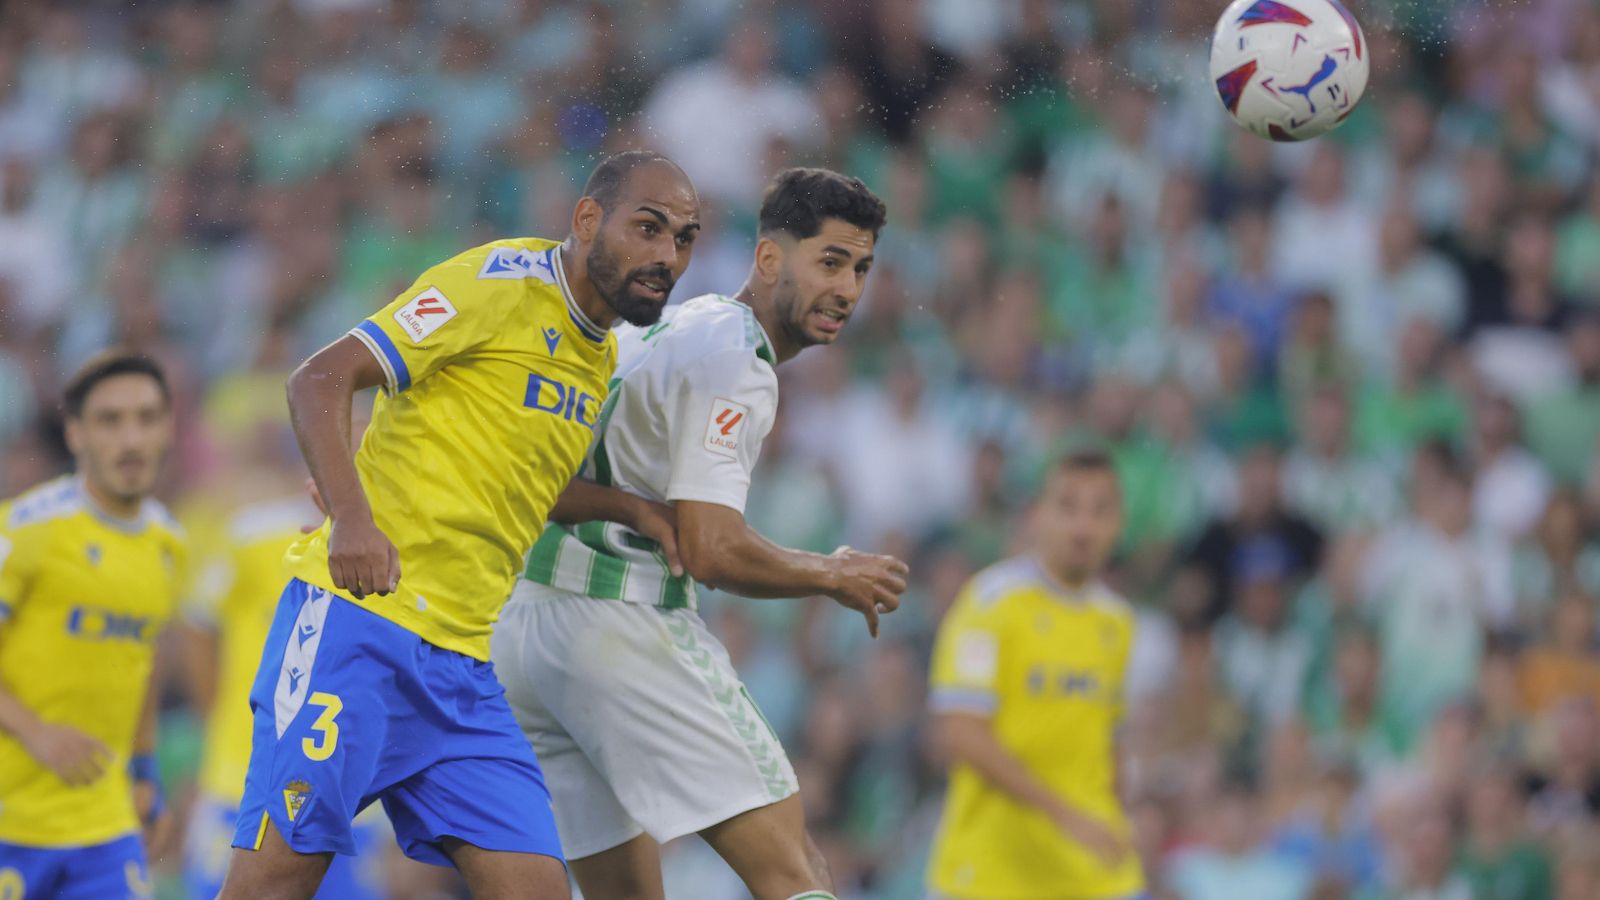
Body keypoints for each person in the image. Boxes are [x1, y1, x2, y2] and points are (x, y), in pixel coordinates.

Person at [218, 150, 700, 900]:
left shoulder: (598, 355)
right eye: (648, 228)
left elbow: (524, 483)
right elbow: (319, 377)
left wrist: (634, 510)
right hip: (360, 633)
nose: (666, 255)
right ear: (586, 219)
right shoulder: (499, 282)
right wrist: (351, 518)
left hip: (463, 672)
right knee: (269, 889)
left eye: (684, 239)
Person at [492, 167, 906, 900]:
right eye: (831, 262)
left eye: (862, 269)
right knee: (795, 871)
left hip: (529, 632)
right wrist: (830, 573)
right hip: (621, 625)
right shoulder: (736, 360)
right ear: (770, 258)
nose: (847, 289)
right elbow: (710, 550)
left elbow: (547, 482)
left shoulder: (685, 322)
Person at [0, 352, 183, 899]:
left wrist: (147, 770)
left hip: (106, 830)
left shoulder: (170, 544)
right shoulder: (25, 529)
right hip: (12, 822)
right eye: (110, 420)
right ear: (75, 434)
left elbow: (142, 662)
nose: (131, 439)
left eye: (147, 418)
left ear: (169, 428)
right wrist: (38, 733)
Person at [927, 451, 1146, 899]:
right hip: (990, 871)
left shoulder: (1117, 622)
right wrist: (1065, 816)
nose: (1083, 527)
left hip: (1092, 871)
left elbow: (1110, 735)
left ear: (1118, 524)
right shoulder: (989, 605)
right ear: (1036, 516)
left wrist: (1122, 810)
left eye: (1100, 510)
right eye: (1068, 507)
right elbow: (962, 734)